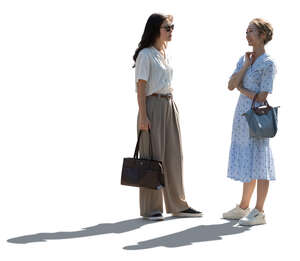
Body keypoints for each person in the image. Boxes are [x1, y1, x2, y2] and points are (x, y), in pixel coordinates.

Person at [133, 13, 202, 221]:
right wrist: (143, 116)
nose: (171, 31)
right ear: (156, 29)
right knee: (153, 157)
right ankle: (151, 208)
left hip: (169, 104)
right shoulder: (146, 54)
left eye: (173, 27)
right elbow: (141, 87)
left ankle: (178, 205)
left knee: (173, 155)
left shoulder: (164, 52)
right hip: (152, 105)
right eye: (167, 27)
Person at [223, 18, 277, 226]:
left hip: (257, 116)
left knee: (260, 160)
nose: (247, 35)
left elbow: (262, 96)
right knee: (247, 157)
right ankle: (244, 206)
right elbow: (230, 85)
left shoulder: (269, 63)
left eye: (251, 31)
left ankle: (260, 211)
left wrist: (242, 89)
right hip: (241, 116)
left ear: (262, 35)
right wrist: (245, 65)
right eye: (246, 31)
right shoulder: (244, 59)